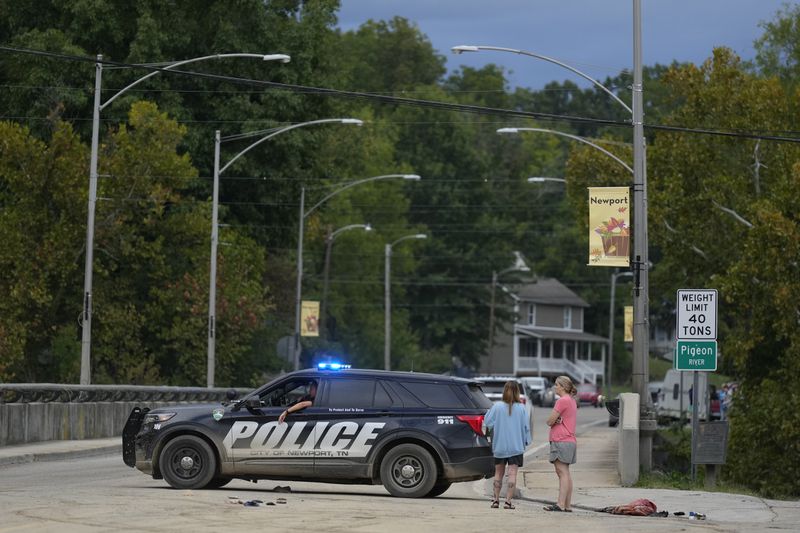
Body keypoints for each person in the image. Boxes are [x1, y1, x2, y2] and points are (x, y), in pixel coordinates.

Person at [483, 381, 531, 510]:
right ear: (517, 392)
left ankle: (495, 500)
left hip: (500, 446)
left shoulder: (497, 407)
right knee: (513, 474)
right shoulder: (521, 408)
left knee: (498, 473)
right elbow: (526, 428)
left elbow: (487, 422)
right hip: (516, 447)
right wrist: (527, 441)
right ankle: (508, 502)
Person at [544, 375, 578, 512]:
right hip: (570, 440)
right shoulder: (571, 400)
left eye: (557, 385)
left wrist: (554, 420)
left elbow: (550, 421)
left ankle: (560, 504)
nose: (555, 387)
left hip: (561, 440)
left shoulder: (562, 401)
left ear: (563, 387)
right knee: (566, 473)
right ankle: (567, 505)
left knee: (561, 472)